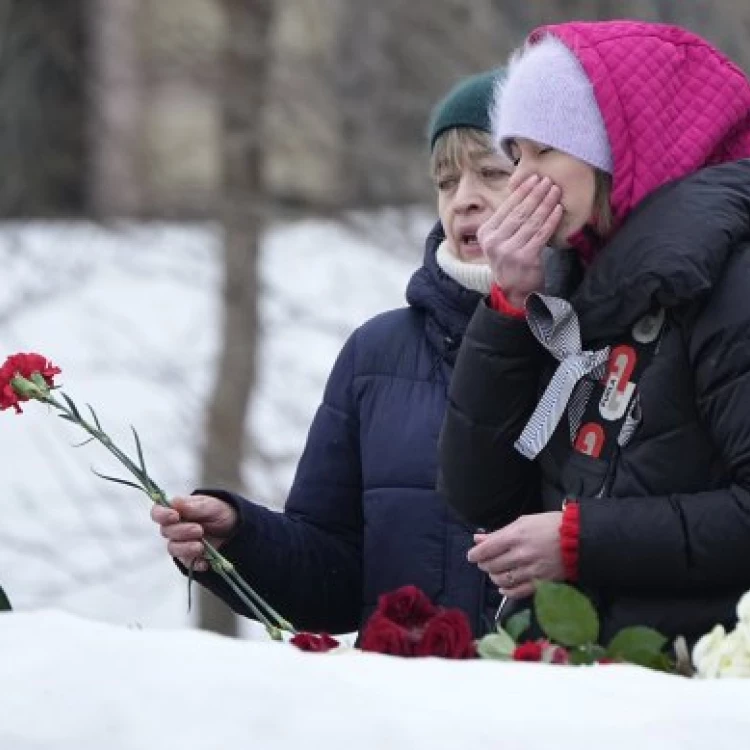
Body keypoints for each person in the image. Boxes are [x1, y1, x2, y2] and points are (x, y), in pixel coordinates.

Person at [152, 70, 518, 636]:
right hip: (404, 709)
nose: (464, 199)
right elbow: (332, 579)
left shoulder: (593, 342)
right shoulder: (376, 354)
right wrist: (239, 539)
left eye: (492, 173)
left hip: (561, 707)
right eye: (446, 182)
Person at [438, 20, 750, 645]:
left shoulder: (731, 278)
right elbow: (480, 495)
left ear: (621, 147)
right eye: (516, 156)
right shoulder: (578, 282)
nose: (524, 181)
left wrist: (581, 541)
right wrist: (508, 306)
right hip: (589, 673)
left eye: (546, 150)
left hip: (697, 692)